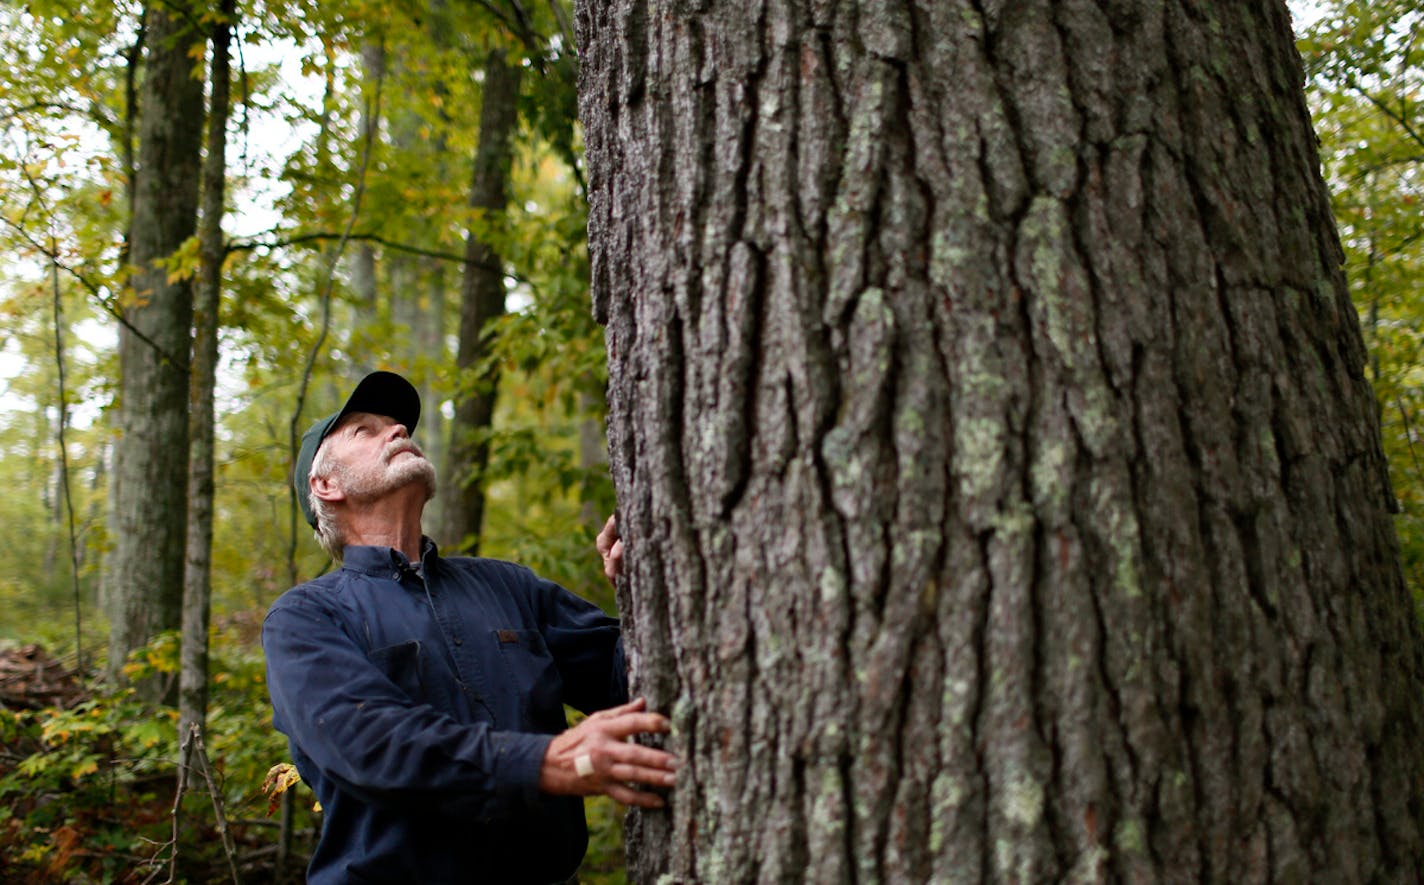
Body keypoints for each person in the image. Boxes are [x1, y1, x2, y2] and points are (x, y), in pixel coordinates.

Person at [262, 371, 676, 884]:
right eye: (364, 430)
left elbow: (633, 685)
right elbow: (367, 743)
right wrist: (547, 762)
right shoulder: (304, 618)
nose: (395, 430)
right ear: (326, 486)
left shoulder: (508, 586)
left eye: (395, 424)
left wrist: (645, 590)